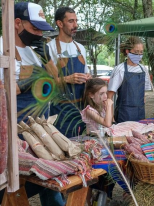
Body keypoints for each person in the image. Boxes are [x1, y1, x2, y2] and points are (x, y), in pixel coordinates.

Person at [11, 2, 65, 206]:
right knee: (13, 186)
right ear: (18, 23)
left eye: (41, 30)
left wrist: (46, 57)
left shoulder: (36, 51)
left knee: (48, 179)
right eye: (35, 29)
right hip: (14, 129)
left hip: (40, 128)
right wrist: (30, 80)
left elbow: (55, 78)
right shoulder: (2, 48)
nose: (39, 34)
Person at [47, 7, 91, 138]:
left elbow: (87, 72)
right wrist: (66, 79)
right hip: (60, 112)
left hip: (80, 110)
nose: (76, 25)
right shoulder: (49, 48)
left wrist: (89, 77)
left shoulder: (81, 48)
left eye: (76, 21)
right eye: (71, 21)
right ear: (60, 24)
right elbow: (44, 84)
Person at [107, 36, 151, 123]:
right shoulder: (120, 69)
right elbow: (109, 96)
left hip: (140, 113)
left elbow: (143, 95)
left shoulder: (143, 69)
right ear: (127, 51)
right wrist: (111, 118)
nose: (139, 55)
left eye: (141, 52)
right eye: (136, 52)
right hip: (124, 114)